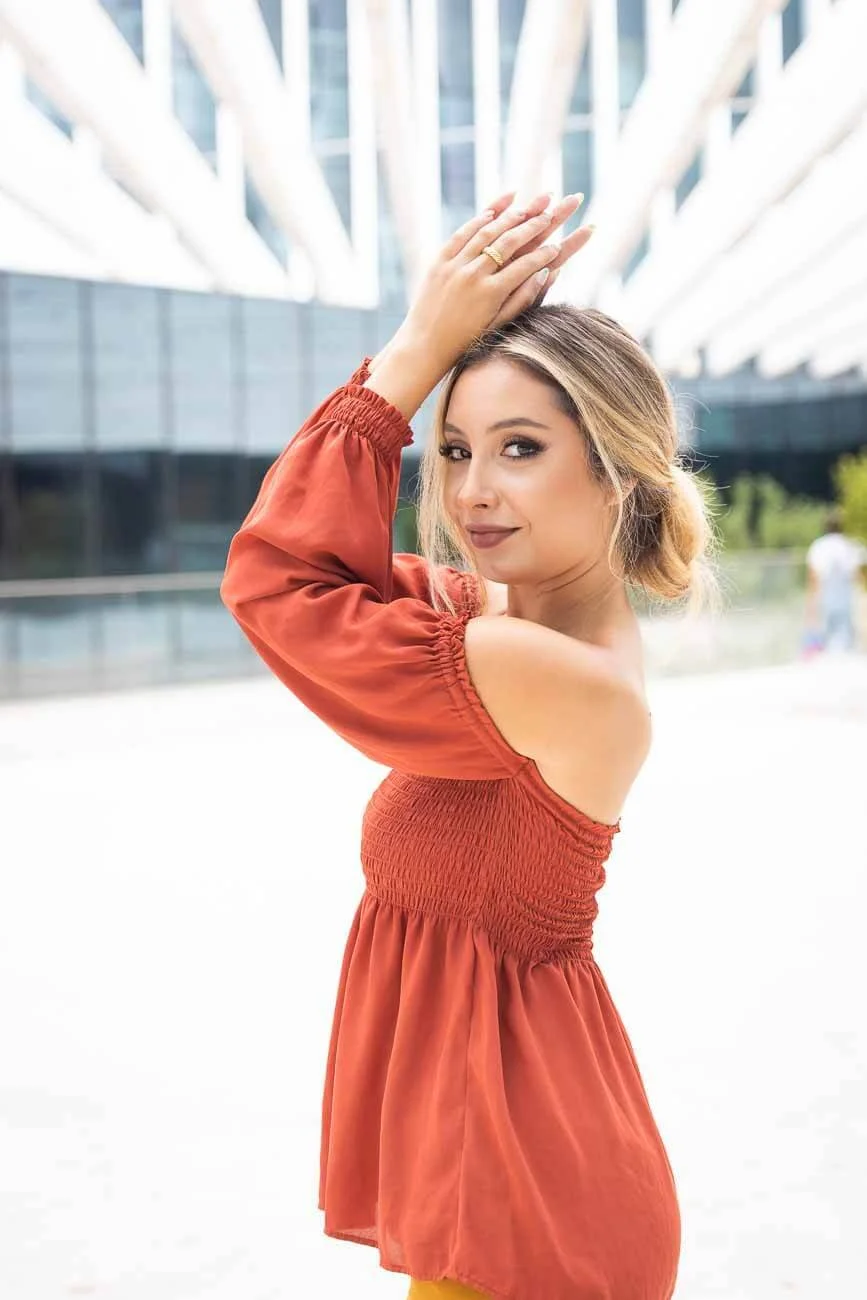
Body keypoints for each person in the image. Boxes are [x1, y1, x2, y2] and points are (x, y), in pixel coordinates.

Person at [220, 189, 717, 1300]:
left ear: (617, 474)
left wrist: (412, 353)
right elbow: (315, 573)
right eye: (452, 448)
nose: (472, 490)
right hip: (497, 1187)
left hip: (537, 1209)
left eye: (521, 448)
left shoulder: (553, 677)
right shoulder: (492, 621)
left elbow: (275, 583)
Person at [805, 508, 866, 653]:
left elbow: (813, 579)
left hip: (825, 597)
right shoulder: (849, 545)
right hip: (846, 598)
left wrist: (810, 605)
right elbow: (858, 575)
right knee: (846, 641)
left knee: (823, 640)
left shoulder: (818, 547)